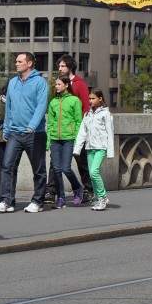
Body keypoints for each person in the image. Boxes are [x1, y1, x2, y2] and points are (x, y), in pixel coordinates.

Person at [0, 52, 50, 214]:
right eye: (16, 61)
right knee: (7, 166)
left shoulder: (40, 82)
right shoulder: (12, 82)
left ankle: (37, 201)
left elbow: (41, 105)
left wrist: (33, 124)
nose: (16, 64)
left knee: (38, 169)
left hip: (35, 133)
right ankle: (7, 201)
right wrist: (6, 130)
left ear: (29, 63)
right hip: (15, 133)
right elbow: (9, 108)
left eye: (20, 61)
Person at [58, 54, 93, 203]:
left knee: (81, 161)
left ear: (70, 67)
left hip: (78, 130)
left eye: (63, 66)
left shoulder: (80, 84)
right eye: (59, 66)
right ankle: (51, 190)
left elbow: (85, 106)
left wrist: (82, 129)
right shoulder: (59, 83)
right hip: (62, 130)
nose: (59, 68)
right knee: (56, 162)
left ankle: (88, 189)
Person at [73, 88, 114, 211]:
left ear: (100, 99)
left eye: (93, 98)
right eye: (89, 99)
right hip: (90, 147)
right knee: (91, 175)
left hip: (101, 147)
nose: (90, 101)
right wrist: (77, 148)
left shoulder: (105, 114)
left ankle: (102, 197)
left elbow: (110, 132)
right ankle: (99, 197)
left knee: (94, 172)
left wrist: (110, 151)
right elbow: (82, 132)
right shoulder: (87, 114)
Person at [47, 74, 85, 207]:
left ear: (66, 85)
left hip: (69, 138)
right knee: (56, 169)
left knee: (65, 168)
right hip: (55, 139)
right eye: (55, 84)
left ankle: (77, 188)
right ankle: (61, 198)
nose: (56, 86)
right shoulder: (53, 102)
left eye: (59, 84)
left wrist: (77, 140)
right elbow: (50, 123)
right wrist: (48, 141)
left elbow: (78, 122)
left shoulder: (75, 100)